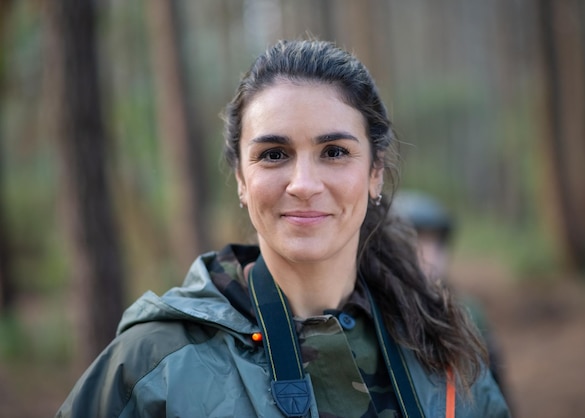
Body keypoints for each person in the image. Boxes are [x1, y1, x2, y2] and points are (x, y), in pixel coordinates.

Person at [56, 39, 510, 417]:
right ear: (241, 179)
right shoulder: (154, 366)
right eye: (274, 154)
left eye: (334, 152)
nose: (304, 185)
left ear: (375, 174)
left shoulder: (439, 348)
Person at [391, 190, 510, 402]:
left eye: (435, 243)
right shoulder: (373, 312)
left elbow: (495, 390)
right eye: (416, 241)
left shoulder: (467, 310)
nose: (430, 254)